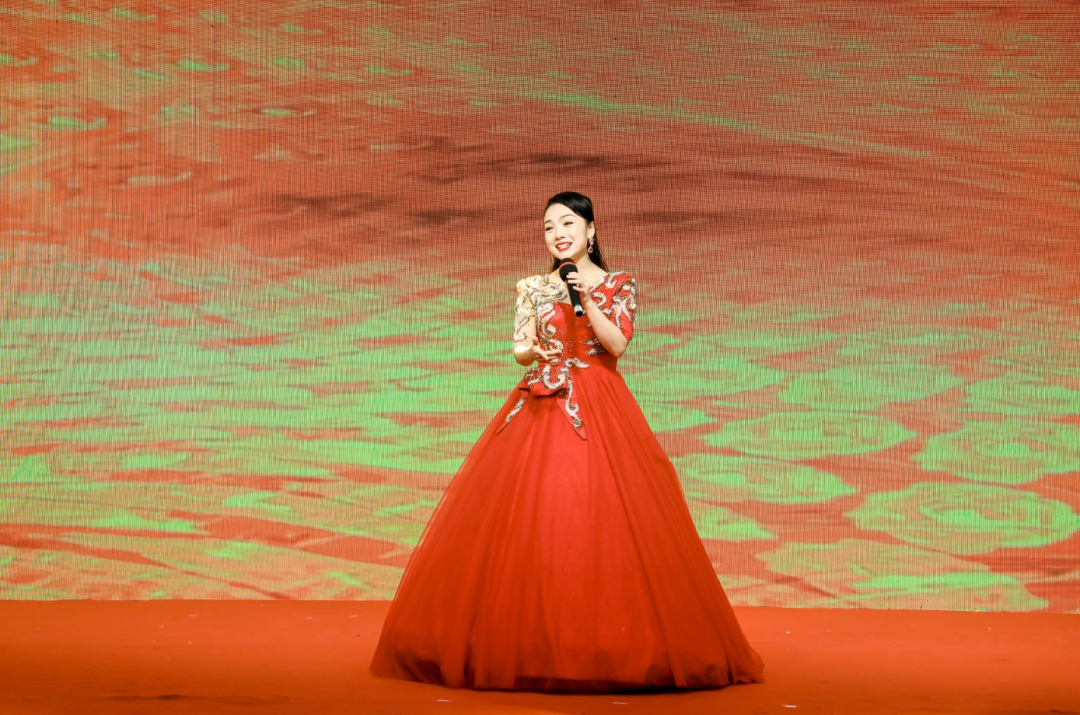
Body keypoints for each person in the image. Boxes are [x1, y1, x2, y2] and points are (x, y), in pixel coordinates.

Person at [369, 191, 766, 693]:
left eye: (568, 223)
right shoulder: (533, 287)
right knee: (534, 515)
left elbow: (617, 344)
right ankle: (525, 643)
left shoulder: (618, 283)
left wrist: (586, 297)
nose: (557, 234)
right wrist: (528, 351)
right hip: (540, 400)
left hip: (600, 402)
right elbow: (519, 346)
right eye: (549, 227)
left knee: (598, 515)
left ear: (591, 231)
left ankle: (607, 644)